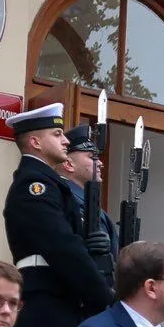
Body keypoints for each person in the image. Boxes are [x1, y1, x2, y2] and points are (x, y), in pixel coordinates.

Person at [2, 103, 115, 327]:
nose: (65, 140)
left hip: (60, 310)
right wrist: (105, 299)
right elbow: (63, 250)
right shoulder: (33, 186)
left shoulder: (49, 185)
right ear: (35, 142)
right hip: (46, 316)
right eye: (57, 134)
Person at [57, 124, 118, 293]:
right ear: (69, 164)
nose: (100, 164)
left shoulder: (93, 205)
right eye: (92, 157)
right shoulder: (63, 199)